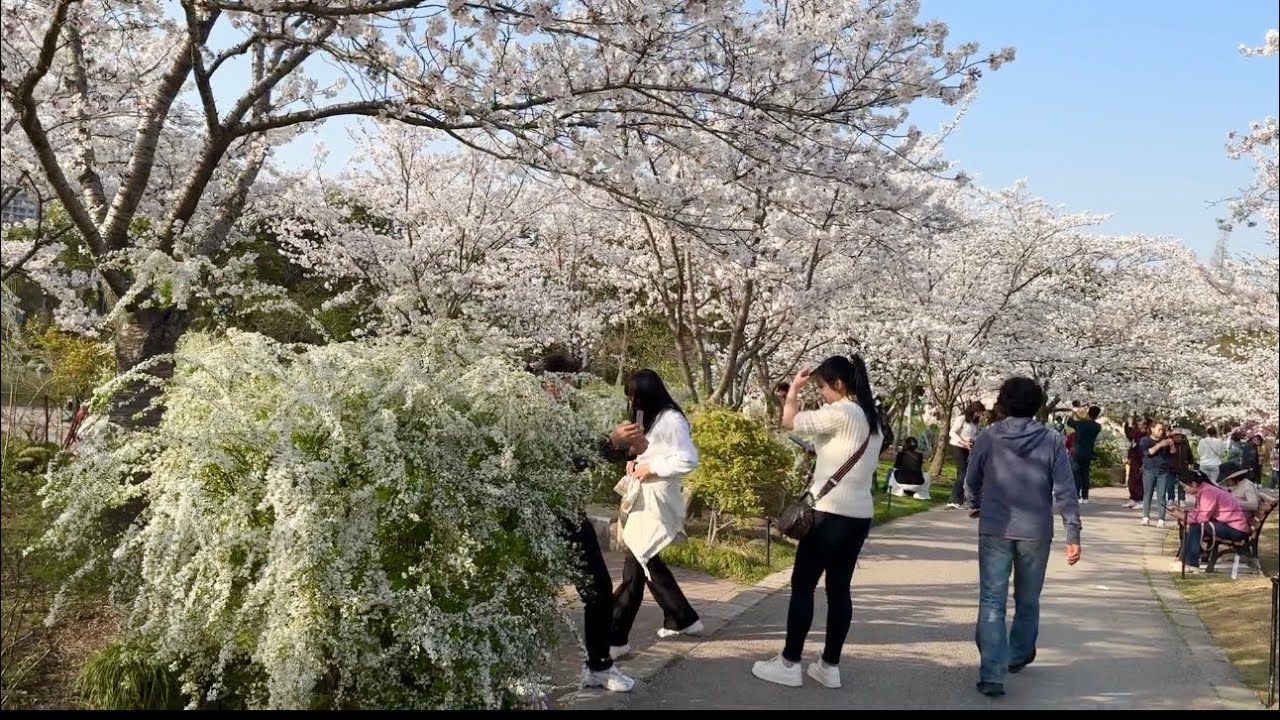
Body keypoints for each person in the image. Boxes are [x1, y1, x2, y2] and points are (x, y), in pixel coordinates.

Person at [751, 355, 883, 690]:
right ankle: (829, 666)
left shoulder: (841, 412)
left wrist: (793, 389)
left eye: (822, 387)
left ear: (838, 384)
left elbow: (789, 421)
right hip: (859, 517)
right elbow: (845, 452)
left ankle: (789, 663)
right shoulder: (873, 419)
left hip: (828, 514)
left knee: (803, 587)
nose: (821, 394)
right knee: (839, 590)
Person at [963, 376, 1081, 698]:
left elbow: (972, 479)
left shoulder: (988, 436)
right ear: (1036, 405)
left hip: (995, 527)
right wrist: (1073, 531)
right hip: (1036, 530)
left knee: (992, 600)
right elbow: (1066, 489)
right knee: (1027, 599)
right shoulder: (1052, 439)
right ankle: (1017, 654)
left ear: (1002, 402)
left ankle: (992, 673)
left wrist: (974, 504)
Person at [531, 353, 640, 693]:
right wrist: (610, 443)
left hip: (567, 512)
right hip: (533, 514)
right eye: (565, 381)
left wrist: (620, 447)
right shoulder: (527, 415)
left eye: (572, 382)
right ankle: (517, 672)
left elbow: (581, 455)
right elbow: (552, 461)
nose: (570, 388)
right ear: (547, 380)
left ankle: (598, 666)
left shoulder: (563, 413)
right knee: (529, 594)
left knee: (597, 588)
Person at [609, 370, 703, 659]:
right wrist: (635, 462)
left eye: (637, 397)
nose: (633, 402)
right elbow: (650, 452)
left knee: (637, 563)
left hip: (656, 499)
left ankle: (615, 636)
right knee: (644, 558)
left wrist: (651, 468)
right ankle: (682, 618)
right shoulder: (647, 416)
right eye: (630, 396)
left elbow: (688, 459)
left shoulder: (671, 419)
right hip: (644, 497)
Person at [1165, 471, 1251, 574]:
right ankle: (1183, 561)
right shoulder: (1204, 490)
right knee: (1194, 525)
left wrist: (1182, 516)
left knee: (1196, 527)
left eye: (1185, 486)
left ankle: (1191, 564)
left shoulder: (1208, 492)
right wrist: (1182, 512)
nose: (1184, 489)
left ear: (1193, 484)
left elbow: (1203, 518)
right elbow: (1200, 512)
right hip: (1227, 525)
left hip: (1235, 529)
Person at [947, 401, 986, 509]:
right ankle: (954, 500)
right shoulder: (962, 419)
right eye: (979, 413)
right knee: (963, 473)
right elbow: (952, 432)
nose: (979, 416)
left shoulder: (974, 423)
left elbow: (972, 435)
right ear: (973, 411)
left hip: (967, 448)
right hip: (958, 446)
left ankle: (958, 500)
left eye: (981, 414)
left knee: (964, 473)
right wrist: (962, 441)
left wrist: (973, 441)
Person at [1138, 422, 1177, 528]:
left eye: (1162, 430)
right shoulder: (1145, 440)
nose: (1161, 432)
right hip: (1149, 470)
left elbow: (1173, 452)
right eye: (1159, 429)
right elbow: (1148, 452)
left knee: (1162, 496)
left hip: (1163, 471)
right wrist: (1160, 445)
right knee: (1148, 494)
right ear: (1152, 429)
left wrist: (1171, 444)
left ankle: (1161, 519)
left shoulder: (1165, 440)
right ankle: (1145, 517)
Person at [1066, 406, 1102, 505]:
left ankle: (1077, 495)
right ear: (1097, 415)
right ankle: (1085, 496)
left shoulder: (1081, 424)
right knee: (1085, 474)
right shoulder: (1097, 427)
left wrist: (1074, 413)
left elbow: (1069, 422)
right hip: (1088, 452)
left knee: (1076, 473)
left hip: (1077, 452)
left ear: (1088, 413)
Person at [1123, 416, 1148, 509]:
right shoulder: (1137, 433)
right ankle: (1133, 499)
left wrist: (1130, 425)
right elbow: (1130, 436)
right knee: (1132, 480)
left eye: (1140, 422)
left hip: (1141, 459)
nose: (1138, 424)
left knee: (1139, 479)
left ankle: (1140, 500)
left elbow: (1132, 435)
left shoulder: (1144, 435)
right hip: (1134, 459)